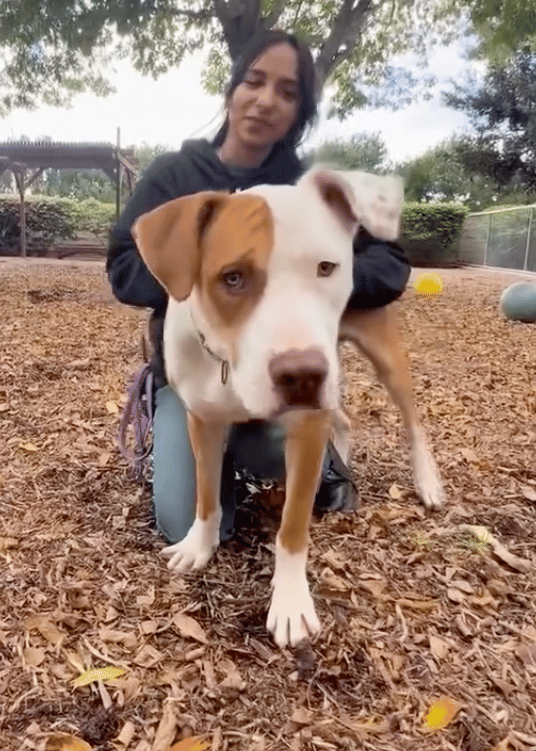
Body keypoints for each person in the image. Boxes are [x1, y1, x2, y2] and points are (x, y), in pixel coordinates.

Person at [106, 29, 411, 546]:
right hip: (194, 376)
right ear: (232, 90)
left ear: (299, 114)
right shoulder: (174, 175)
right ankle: (208, 461)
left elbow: (390, 260)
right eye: (254, 81)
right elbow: (122, 265)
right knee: (182, 523)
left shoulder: (308, 189)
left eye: (287, 92)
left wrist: (319, 276)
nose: (266, 100)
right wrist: (210, 278)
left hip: (281, 364)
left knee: (274, 454)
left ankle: (319, 460)